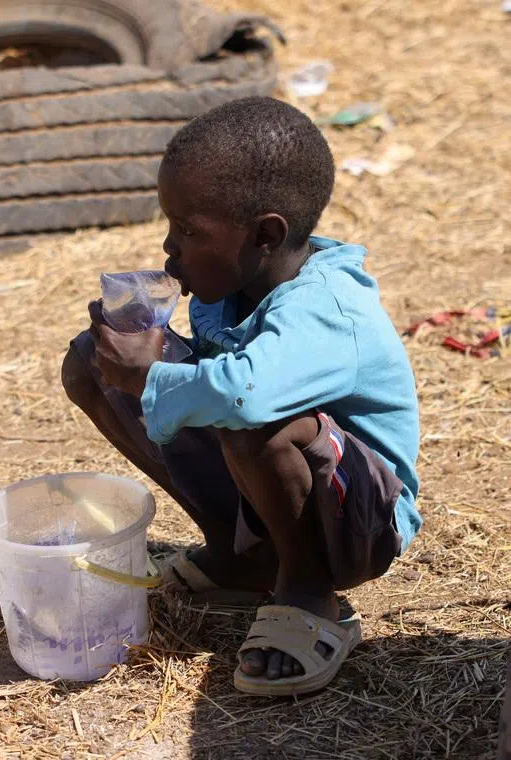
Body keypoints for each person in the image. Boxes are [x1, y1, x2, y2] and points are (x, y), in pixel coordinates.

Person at [61, 96, 421, 696]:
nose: (169, 249)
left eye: (189, 230)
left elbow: (245, 396)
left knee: (255, 417)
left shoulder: (326, 306)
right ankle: (242, 555)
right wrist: (134, 355)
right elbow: (206, 392)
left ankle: (310, 594)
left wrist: (153, 375)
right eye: (170, 225)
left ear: (265, 235)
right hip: (270, 474)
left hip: (361, 522)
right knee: (88, 363)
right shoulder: (225, 286)